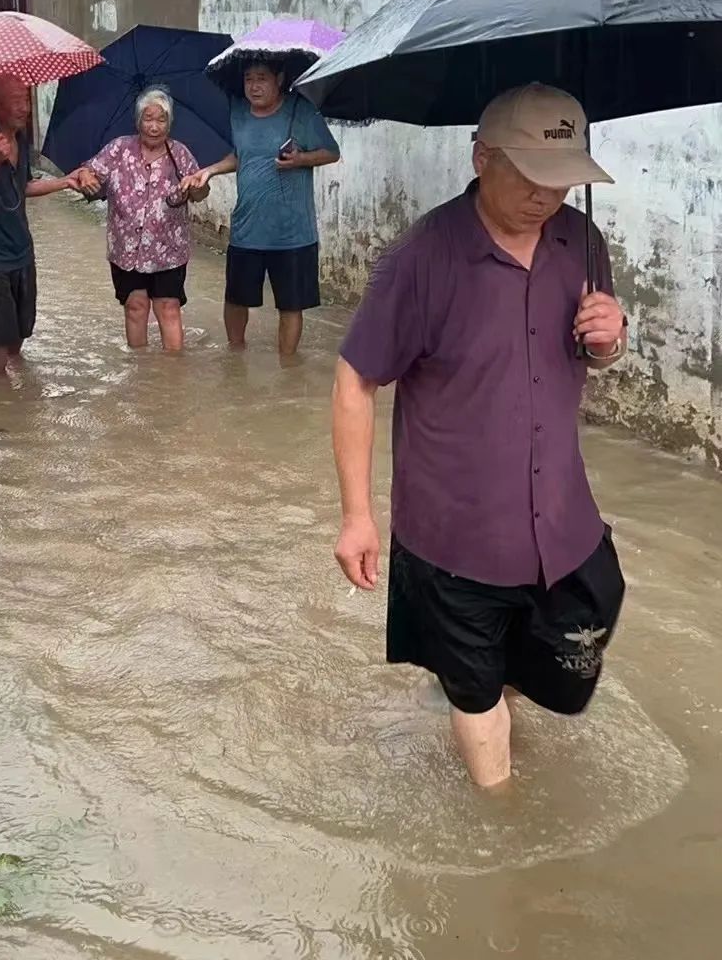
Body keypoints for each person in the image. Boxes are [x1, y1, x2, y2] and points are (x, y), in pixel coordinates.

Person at [331, 83, 628, 789]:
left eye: (561, 180)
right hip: (454, 537)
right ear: (480, 157)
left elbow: (593, 354)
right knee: (478, 699)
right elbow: (354, 381)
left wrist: (611, 338)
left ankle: (488, 689)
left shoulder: (582, 242)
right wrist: (357, 516)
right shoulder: (419, 260)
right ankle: (501, 829)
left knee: (563, 666)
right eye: (529, 176)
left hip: (562, 524)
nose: (545, 196)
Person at [180, 61, 340, 355]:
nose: (254, 86)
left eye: (262, 78)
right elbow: (241, 156)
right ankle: (236, 355)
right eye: (248, 79)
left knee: (291, 304)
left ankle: (288, 364)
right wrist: (210, 171)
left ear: (279, 79)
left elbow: (332, 153)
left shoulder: (299, 111)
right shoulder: (238, 112)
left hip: (293, 231)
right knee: (236, 298)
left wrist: (300, 160)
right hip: (247, 228)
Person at [0, 74, 80, 379]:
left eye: (26, 99)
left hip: (20, 251)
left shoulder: (21, 139)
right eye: (16, 102)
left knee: (20, 331)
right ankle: (0, 403)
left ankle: (17, 403)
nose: (25, 108)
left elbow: (22, 187)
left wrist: (64, 182)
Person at [73, 88, 208, 351]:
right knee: (135, 306)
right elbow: (87, 173)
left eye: (161, 120)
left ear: (170, 123)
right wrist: (85, 176)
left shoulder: (179, 154)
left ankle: (171, 375)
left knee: (168, 307)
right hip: (126, 248)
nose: (154, 127)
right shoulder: (119, 148)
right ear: (138, 121)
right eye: (148, 119)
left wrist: (195, 186)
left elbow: (200, 193)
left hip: (168, 251)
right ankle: (140, 372)